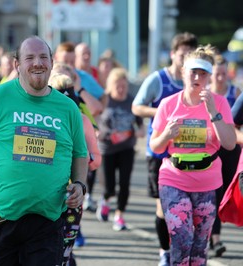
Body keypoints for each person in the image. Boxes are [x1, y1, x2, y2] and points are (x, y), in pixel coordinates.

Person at [0, 36, 88, 266]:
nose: (38, 63)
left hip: (47, 220)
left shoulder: (68, 108)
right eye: (30, 58)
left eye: (44, 57)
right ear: (17, 64)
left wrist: (79, 184)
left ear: (52, 62)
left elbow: (80, 153)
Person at [149, 45, 236, 265]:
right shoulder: (168, 104)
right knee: (181, 238)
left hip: (207, 181)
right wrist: (167, 134)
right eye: (193, 72)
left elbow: (229, 143)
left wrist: (213, 113)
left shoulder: (220, 103)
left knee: (199, 247)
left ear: (209, 76)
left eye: (203, 73)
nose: (197, 77)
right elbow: (156, 146)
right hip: (173, 177)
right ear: (183, 72)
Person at [132, 32, 198, 266]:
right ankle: (164, 252)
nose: (185, 59)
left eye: (190, 55)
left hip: (190, 151)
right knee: (163, 207)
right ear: (173, 54)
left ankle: (186, 252)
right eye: (182, 55)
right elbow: (137, 107)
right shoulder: (158, 80)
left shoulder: (196, 83)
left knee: (189, 207)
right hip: (160, 150)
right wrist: (163, 113)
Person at [48, 72, 101, 265]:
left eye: (71, 104)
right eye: (62, 103)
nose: (67, 110)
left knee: (64, 252)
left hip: (72, 196)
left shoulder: (82, 120)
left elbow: (96, 161)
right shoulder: (41, 118)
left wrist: (85, 157)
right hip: (44, 195)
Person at [96, 68, 145, 231]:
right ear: (111, 85)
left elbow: (140, 125)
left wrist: (139, 131)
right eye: (117, 86)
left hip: (126, 147)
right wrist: (97, 131)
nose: (121, 89)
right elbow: (93, 117)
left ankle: (119, 215)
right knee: (109, 186)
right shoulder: (104, 99)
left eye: (123, 86)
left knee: (124, 183)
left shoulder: (131, 101)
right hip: (107, 148)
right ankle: (105, 199)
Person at [208, 53, 242, 257]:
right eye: (216, 74)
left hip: (232, 150)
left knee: (225, 195)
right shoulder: (206, 96)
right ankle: (215, 238)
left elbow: (235, 127)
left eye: (223, 74)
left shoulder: (235, 92)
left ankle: (214, 236)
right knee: (213, 193)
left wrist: (235, 137)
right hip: (212, 149)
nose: (220, 78)